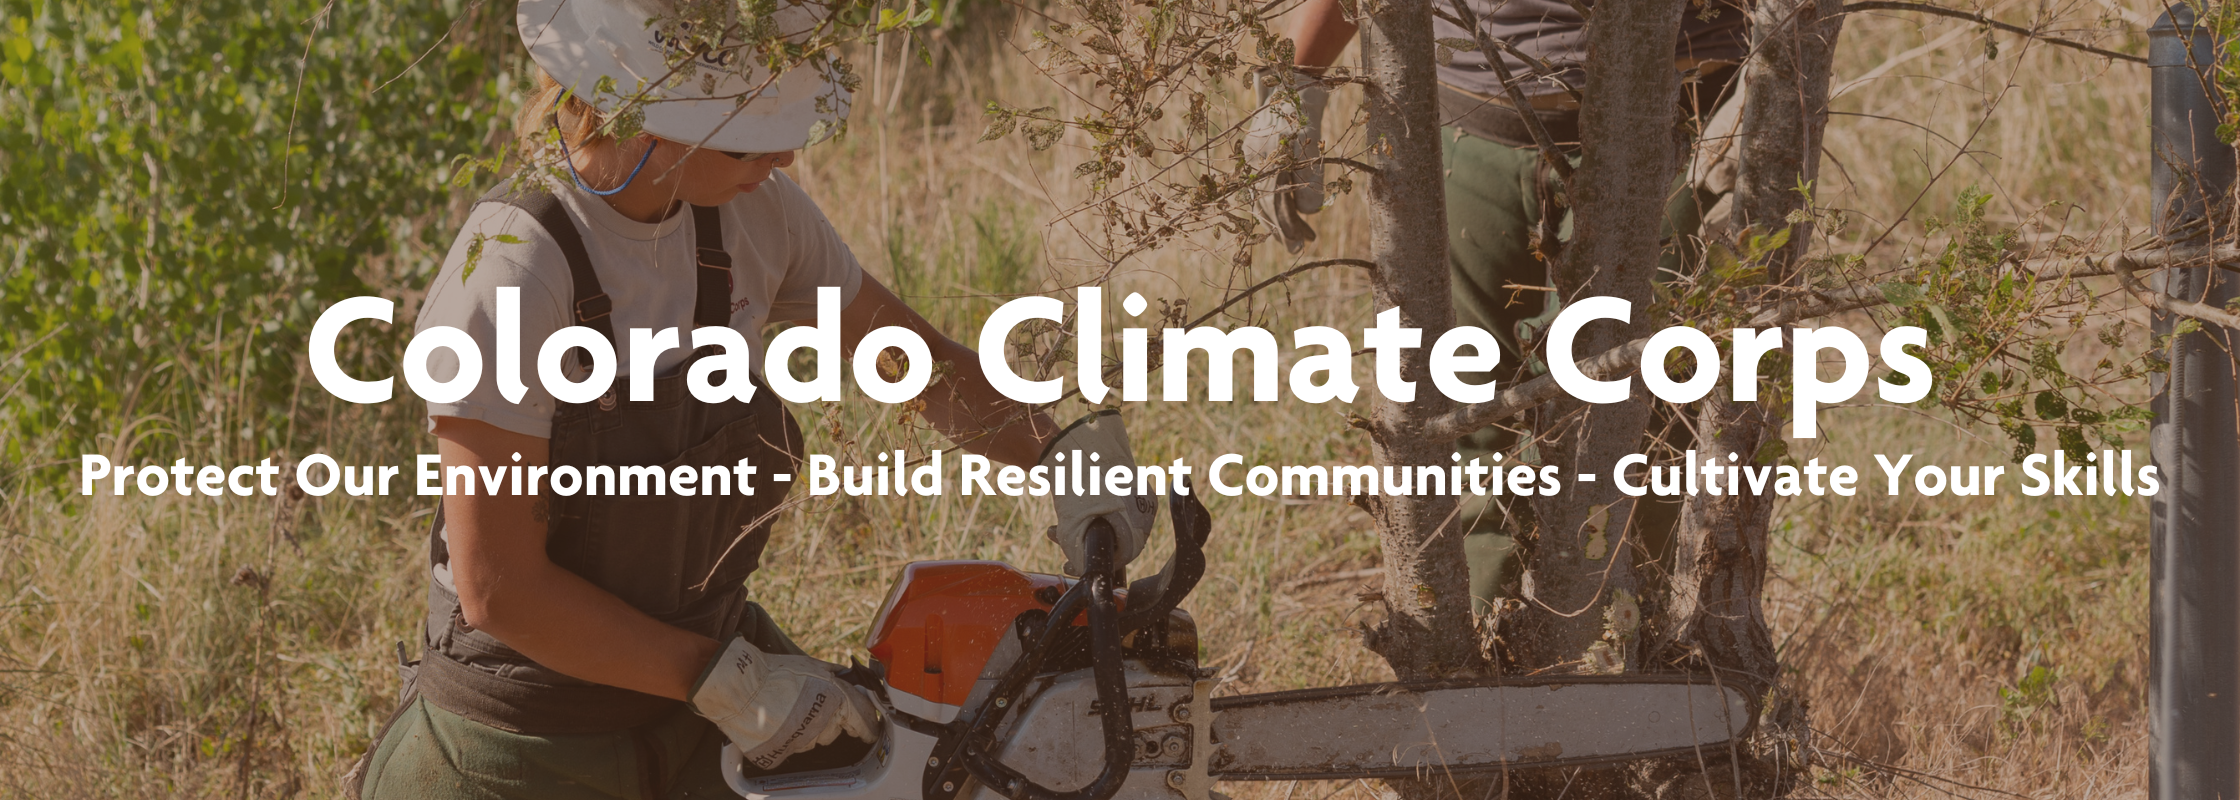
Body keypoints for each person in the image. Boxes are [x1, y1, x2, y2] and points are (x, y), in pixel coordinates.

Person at [349, 0, 1154, 796]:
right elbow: (502, 590)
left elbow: (917, 364)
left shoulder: (750, 215)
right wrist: (730, 685)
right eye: (750, 134)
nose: (785, 159)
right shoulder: (513, 273)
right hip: (530, 730)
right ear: (648, 117)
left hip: (703, 673)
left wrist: (1063, 453)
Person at [1246, 0, 1748, 611]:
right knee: (1468, 418)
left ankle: (1646, 671)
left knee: (1653, 425)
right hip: (1464, 126)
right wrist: (1294, 85)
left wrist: (1755, 119)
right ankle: (1485, 671)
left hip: (1679, 130)